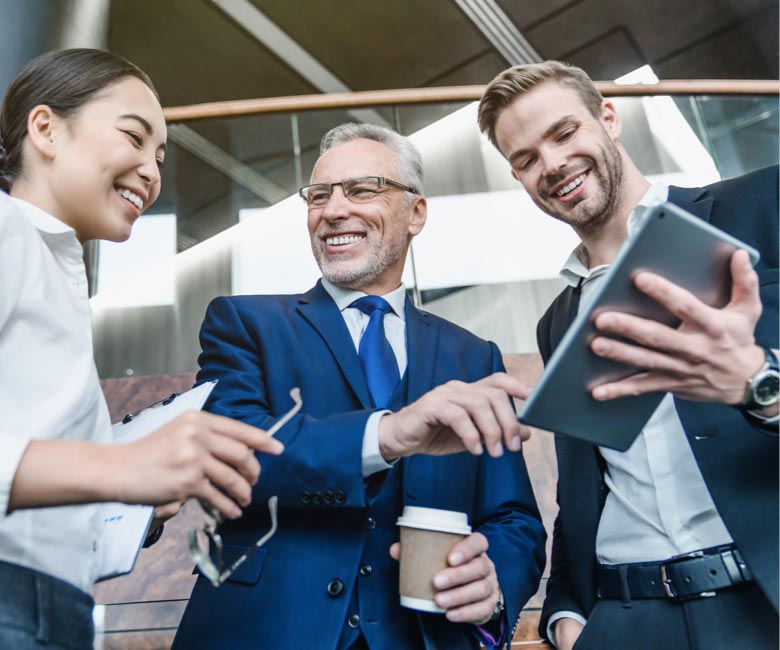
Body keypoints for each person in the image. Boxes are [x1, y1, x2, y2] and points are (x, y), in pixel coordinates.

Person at [172, 122, 546, 650]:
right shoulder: (243, 324)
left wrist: (494, 582)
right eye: (318, 195)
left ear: (416, 213)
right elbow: (230, 457)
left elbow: (513, 518)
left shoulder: (473, 356)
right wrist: (387, 434)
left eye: (362, 189)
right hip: (265, 633)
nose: (333, 210)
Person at [478, 60, 778, 650]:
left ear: (608, 118)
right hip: (625, 618)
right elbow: (582, 489)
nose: (552, 164)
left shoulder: (763, 208)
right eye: (526, 158)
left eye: (564, 134)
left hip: (763, 600)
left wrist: (761, 386)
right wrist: (566, 608)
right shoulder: (557, 321)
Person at [0, 48, 283, 649]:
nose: (152, 171)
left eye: (160, 156)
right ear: (46, 129)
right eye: (134, 138)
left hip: (54, 606)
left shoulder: (56, 272)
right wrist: (120, 465)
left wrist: (130, 504)